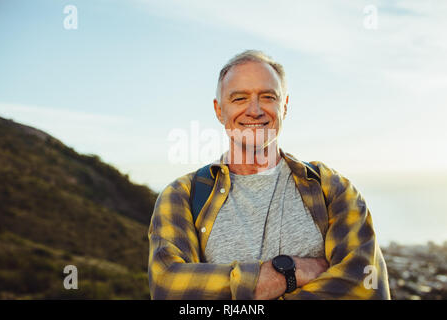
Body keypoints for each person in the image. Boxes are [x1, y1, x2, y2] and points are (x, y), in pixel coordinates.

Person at [148, 50, 390, 300]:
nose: (254, 110)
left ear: (284, 106)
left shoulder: (331, 188)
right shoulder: (182, 196)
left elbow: (366, 287)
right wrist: (288, 273)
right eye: (239, 98)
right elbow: (169, 288)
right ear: (219, 110)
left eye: (267, 97)